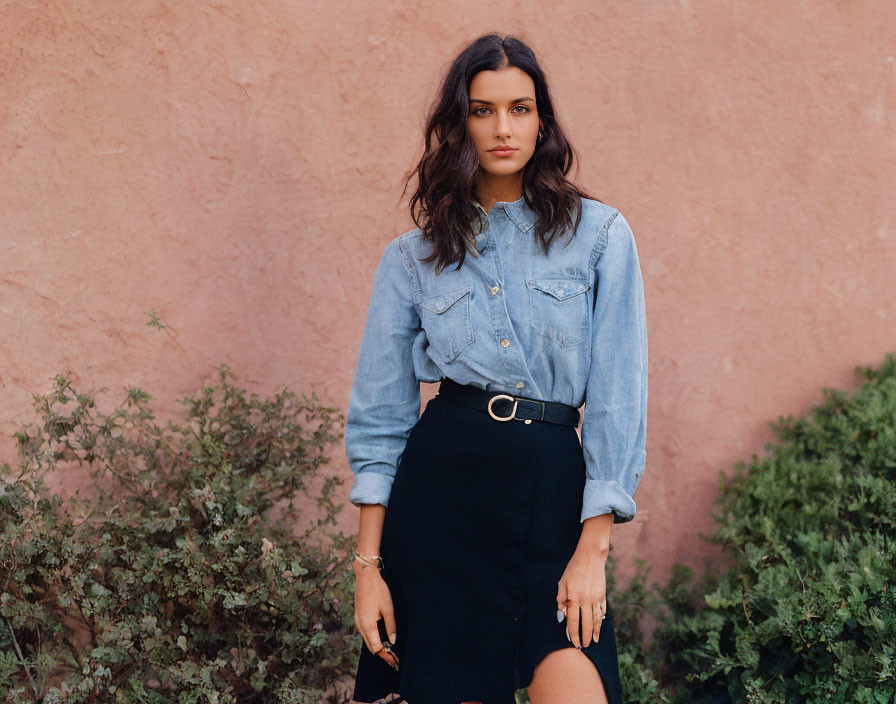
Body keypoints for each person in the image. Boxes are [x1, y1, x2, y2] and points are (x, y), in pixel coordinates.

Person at [344, 33, 648, 704]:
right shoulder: (411, 258)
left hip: (549, 504)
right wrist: (369, 569)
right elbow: (382, 420)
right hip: (441, 511)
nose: (502, 128)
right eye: (482, 110)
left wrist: (592, 551)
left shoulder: (598, 236)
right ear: (459, 123)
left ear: (543, 120)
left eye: (520, 108)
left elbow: (620, 402)